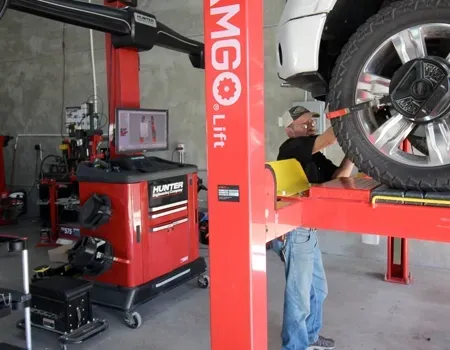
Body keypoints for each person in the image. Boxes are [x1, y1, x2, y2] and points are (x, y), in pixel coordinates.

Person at [272, 106, 354, 350]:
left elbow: (339, 177)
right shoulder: (290, 148)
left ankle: (310, 336)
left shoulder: (315, 156)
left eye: (311, 121)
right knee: (299, 298)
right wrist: (356, 120)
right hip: (293, 232)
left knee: (318, 289)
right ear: (290, 129)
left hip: (308, 230)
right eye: (304, 122)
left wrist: (353, 153)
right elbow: (330, 137)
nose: (310, 125)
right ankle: (294, 346)